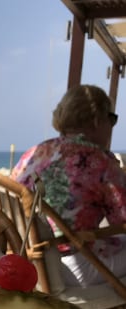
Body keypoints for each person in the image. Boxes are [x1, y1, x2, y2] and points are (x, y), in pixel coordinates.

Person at [12, 84, 126, 293]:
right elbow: (122, 221)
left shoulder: (34, 153)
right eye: (112, 119)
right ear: (97, 119)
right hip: (74, 267)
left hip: (27, 261)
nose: (111, 127)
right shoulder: (101, 161)